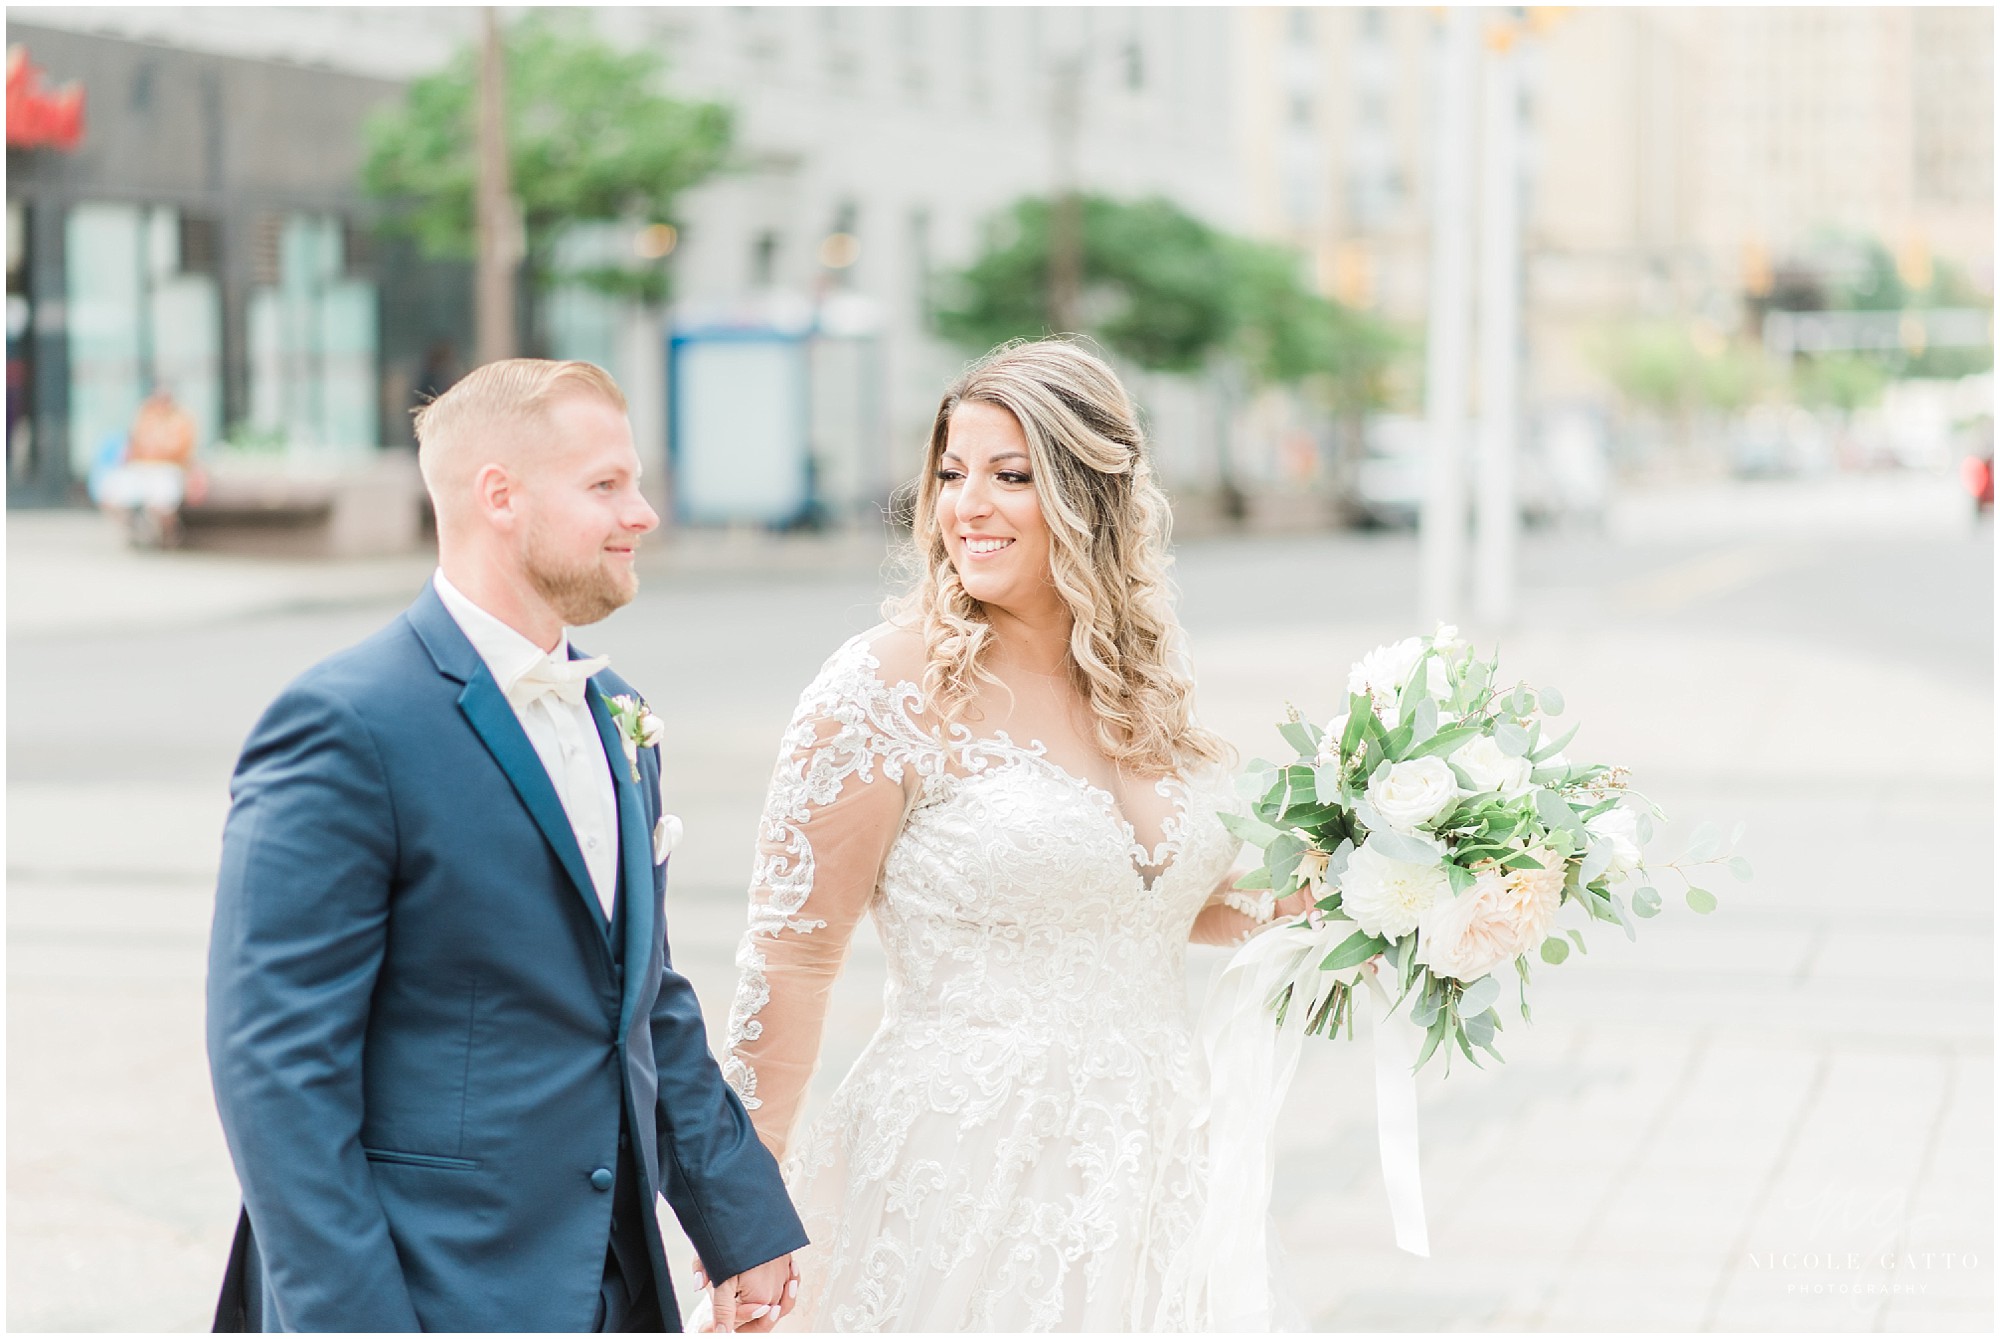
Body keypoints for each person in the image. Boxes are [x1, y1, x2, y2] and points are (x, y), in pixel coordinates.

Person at [206, 358, 807, 1332]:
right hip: (427, 1288)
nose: (643, 512)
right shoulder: (346, 724)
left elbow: (638, 1000)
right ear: (499, 496)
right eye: (605, 485)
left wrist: (738, 1215)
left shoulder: (617, 713)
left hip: (607, 1289)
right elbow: (275, 1071)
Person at [717, 339, 1307, 1331]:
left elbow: (1154, 908)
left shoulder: (1139, 690)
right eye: (950, 474)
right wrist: (741, 1212)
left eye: (1008, 476)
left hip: (1155, 1164)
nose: (966, 506)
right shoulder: (883, 689)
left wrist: (1373, 893)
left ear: (1089, 496)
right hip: (961, 1172)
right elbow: (788, 963)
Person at [95, 385, 202, 548]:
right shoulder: (145, 415)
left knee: (162, 502)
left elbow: (179, 450)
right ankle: (136, 531)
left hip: (167, 469)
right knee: (113, 495)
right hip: (140, 468)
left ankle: (167, 536)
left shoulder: (181, 419)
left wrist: (157, 449)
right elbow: (135, 443)